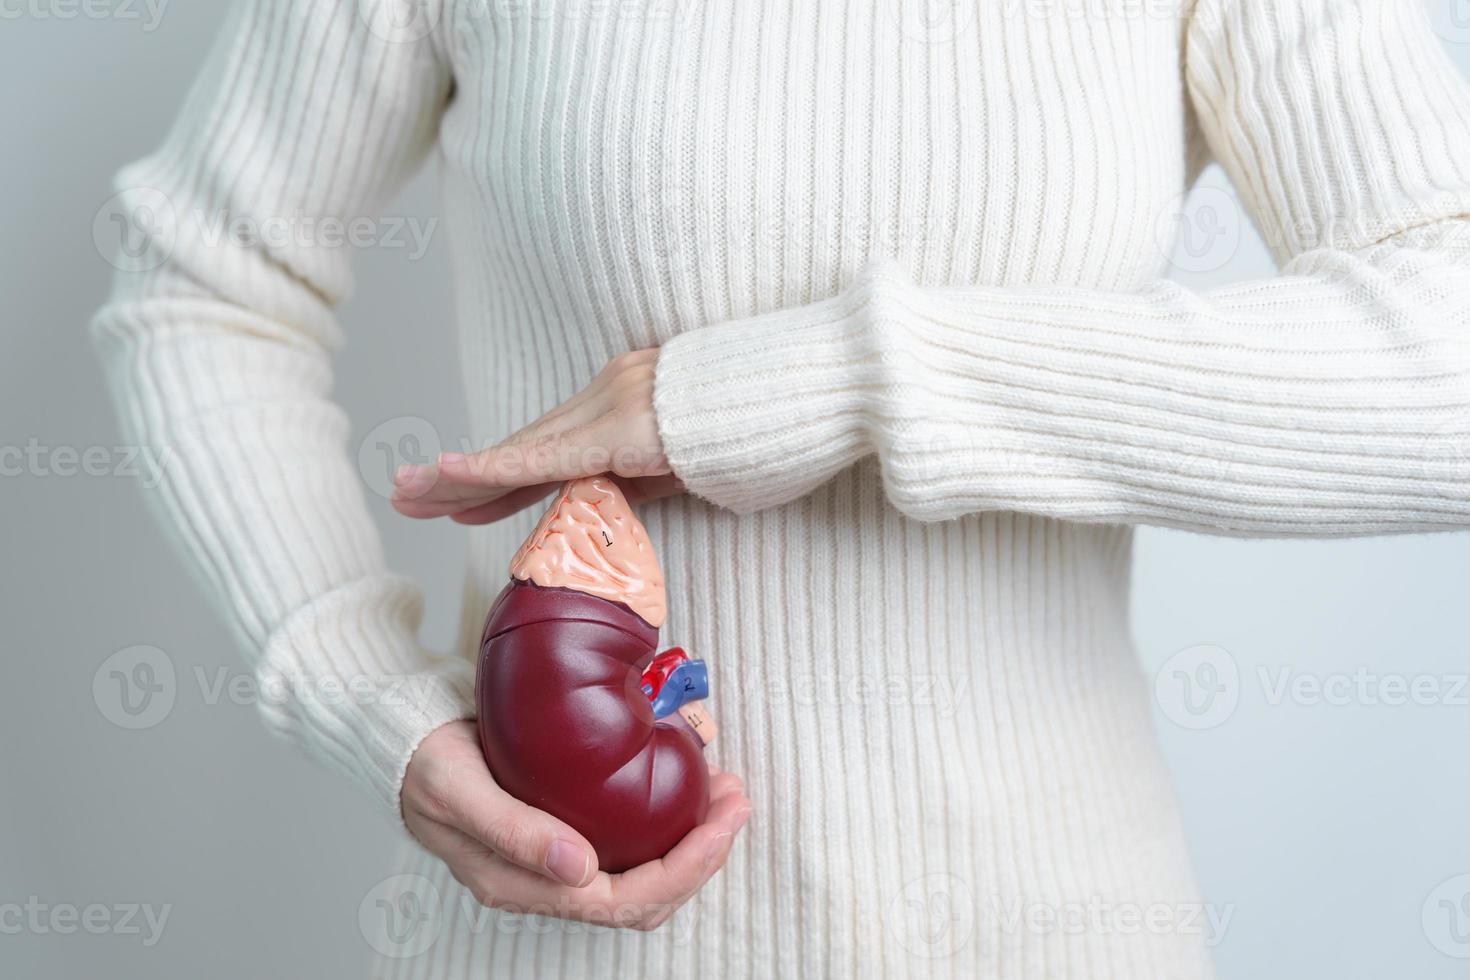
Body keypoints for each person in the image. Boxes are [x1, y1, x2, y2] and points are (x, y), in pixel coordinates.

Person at [92, 0, 1470, 976]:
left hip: (1057, 935)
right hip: (552, 942)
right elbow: (207, 282)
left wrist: (830, 383)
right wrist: (360, 698)